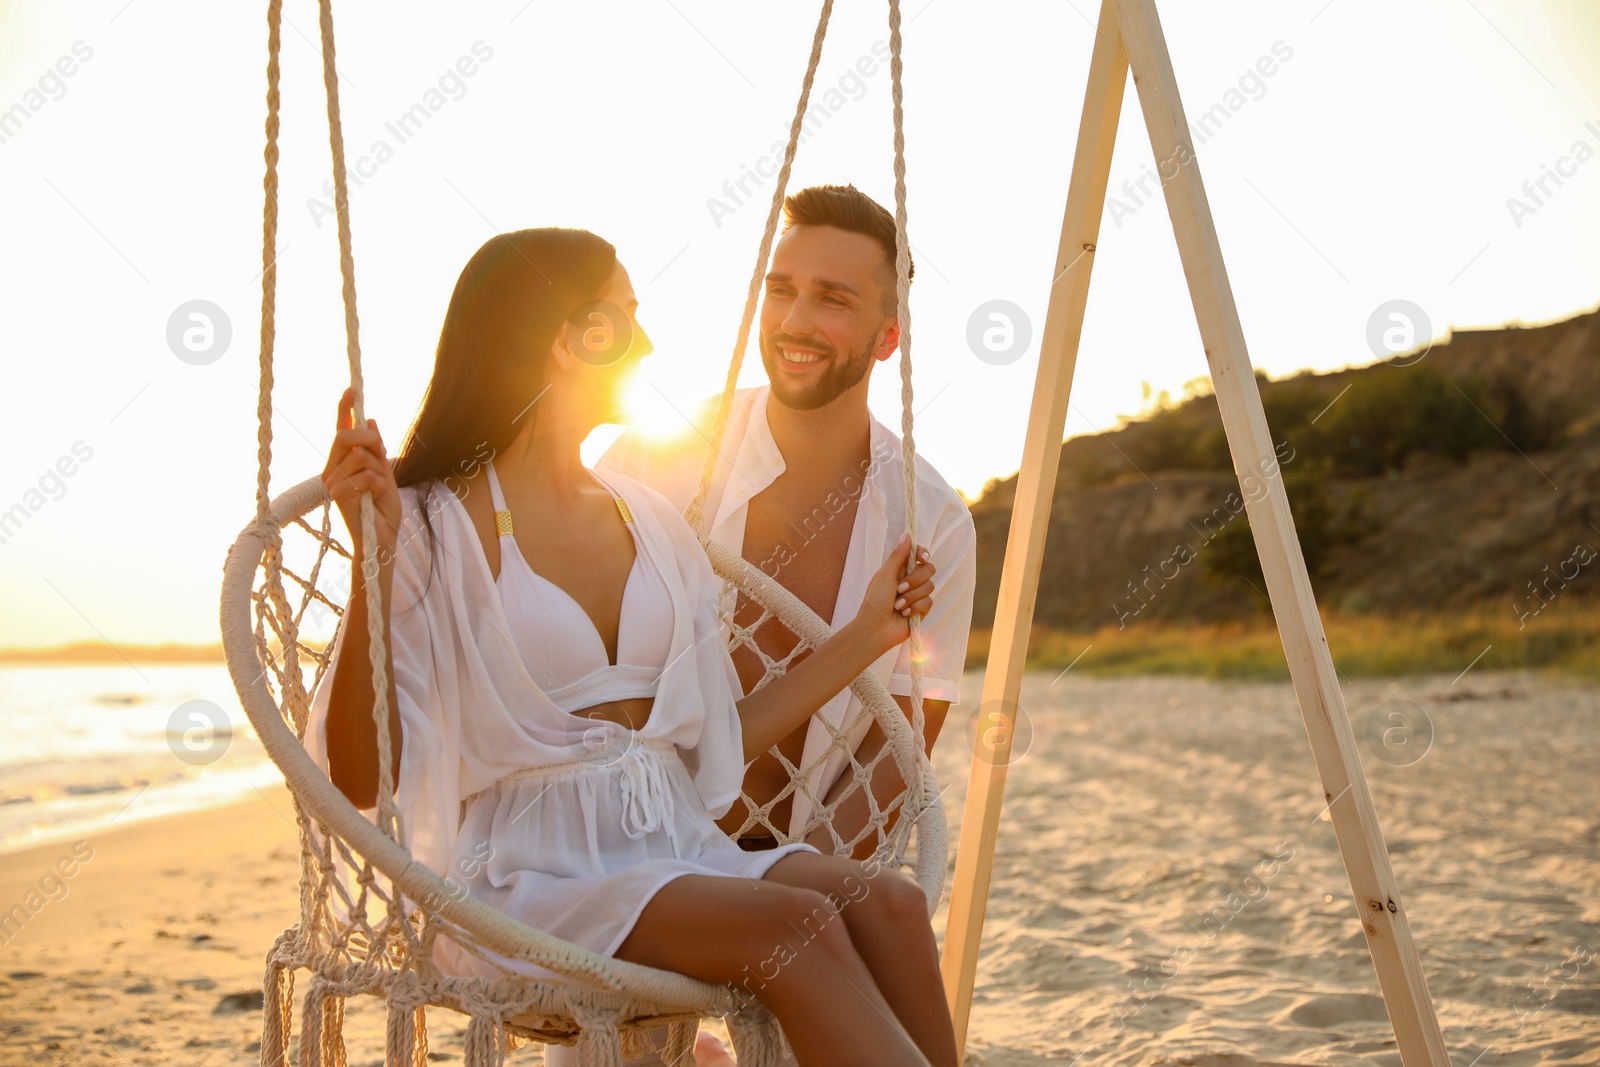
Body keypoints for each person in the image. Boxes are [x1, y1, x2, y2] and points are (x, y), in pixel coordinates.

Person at [304, 227, 958, 1067]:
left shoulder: (645, 518)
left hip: (672, 844)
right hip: (528, 877)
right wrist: (376, 565)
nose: (646, 341)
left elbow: (712, 735)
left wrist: (868, 635)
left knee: (893, 907)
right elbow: (362, 776)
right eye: (626, 315)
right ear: (571, 337)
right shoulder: (431, 521)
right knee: (796, 928)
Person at [598, 184, 977, 859]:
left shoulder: (934, 522)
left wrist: (804, 897)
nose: (794, 321)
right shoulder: (657, 456)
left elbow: (899, 746)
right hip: (624, 843)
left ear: (889, 335)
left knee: (891, 931)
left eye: (833, 299)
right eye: (781, 290)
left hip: (798, 864)